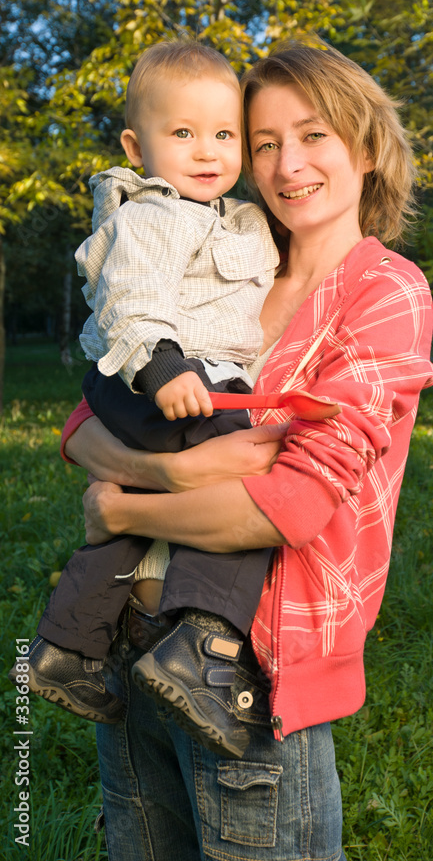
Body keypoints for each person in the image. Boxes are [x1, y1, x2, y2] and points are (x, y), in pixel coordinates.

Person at [59, 40, 433, 861]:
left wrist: (126, 498)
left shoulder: (384, 293)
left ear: (366, 150)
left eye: (312, 136)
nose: (284, 163)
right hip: (132, 641)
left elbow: (287, 507)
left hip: (250, 674)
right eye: (263, 142)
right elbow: (88, 415)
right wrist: (170, 465)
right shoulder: (231, 257)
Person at [21, 40, 281, 758]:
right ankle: (203, 646)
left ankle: (66, 646)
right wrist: (164, 369)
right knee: (247, 487)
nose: (207, 151)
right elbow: (133, 298)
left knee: (143, 524)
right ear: (138, 145)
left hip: (165, 383)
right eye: (184, 133)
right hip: (156, 377)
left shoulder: (233, 217)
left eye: (224, 134)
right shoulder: (154, 213)